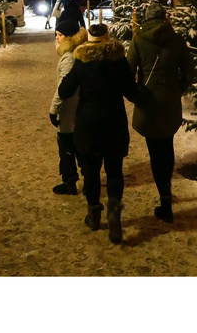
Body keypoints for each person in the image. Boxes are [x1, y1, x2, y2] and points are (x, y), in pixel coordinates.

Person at [58, 23, 138, 244]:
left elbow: (64, 90)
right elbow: (131, 91)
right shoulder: (119, 61)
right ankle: (114, 212)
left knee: (91, 170)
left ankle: (94, 213)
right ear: (107, 37)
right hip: (114, 120)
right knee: (114, 170)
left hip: (88, 122)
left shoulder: (81, 61)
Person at [126, 1, 196, 223]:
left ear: (146, 18)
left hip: (148, 100)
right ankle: (166, 195)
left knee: (155, 149)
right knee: (167, 145)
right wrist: (177, 89)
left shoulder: (138, 38)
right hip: (169, 100)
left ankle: (164, 198)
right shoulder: (176, 39)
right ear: (165, 17)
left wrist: (136, 92)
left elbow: (128, 71)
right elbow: (190, 71)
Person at [48, 19, 89, 194]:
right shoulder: (77, 53)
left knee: (67, 147)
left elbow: (63, 88)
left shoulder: (69, 58)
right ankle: (87, 180)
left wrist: (53, 109)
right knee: (80, 147)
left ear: (69, 38)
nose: (57, 38)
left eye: (60, 35)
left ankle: (70, 182)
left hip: (69, 111)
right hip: (77, 110)